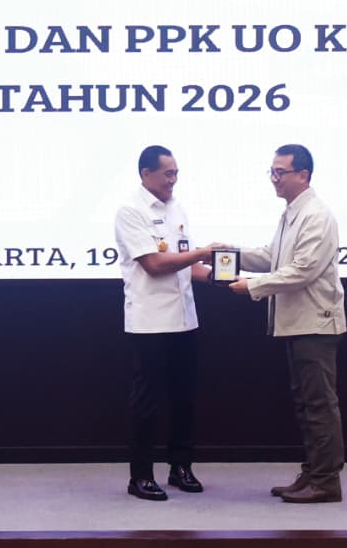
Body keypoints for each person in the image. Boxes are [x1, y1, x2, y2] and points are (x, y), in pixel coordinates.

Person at [228, 144, 347, 503]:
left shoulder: (317, 214)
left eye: (281, 172)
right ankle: (313, 473)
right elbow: (272, 257)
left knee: (319, 405)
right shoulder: (292, 212)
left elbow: (303, 270)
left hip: (315, 324)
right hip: (297, 324)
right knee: (306, 405)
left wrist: (253, 286)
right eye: (272, 171)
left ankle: (326, 482)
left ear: (303, 175)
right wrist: (228, 254)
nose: (274, 179)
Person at [114, 144, 214, 501]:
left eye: (176, 173)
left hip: (184, 318)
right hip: (150, 321)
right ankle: (140, 476)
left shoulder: (177, 208)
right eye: (167, 173)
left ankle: (180, 467)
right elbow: (154, 265)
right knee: (148, 401)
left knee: (183, 397)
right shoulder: (131, 211)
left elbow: (191, 266)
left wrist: (225, 277)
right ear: (146, 174)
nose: (173, 180)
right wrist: (202, 253)